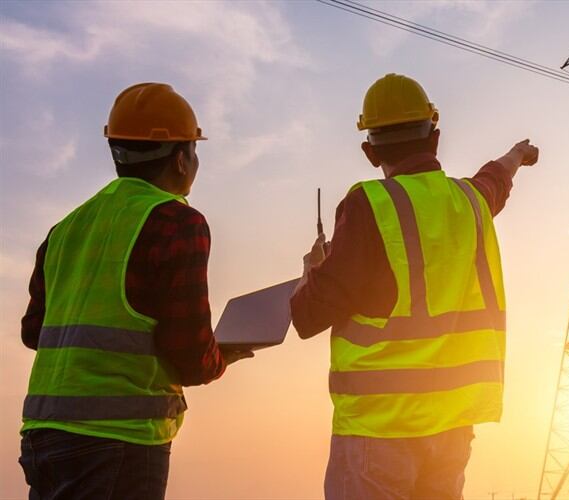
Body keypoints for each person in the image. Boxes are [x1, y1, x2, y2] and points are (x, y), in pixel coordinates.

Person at [290, 73, 539, 499]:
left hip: (379, 428)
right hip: (452, 426)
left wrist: (312, 268)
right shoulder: (470, 202)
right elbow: (494, 180)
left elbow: (309, 315)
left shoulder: (368, 205)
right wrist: (517, 155)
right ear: (435, 138)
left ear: (370, 152)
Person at [18, 82, 251, 500]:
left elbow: (35, 332)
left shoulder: (67, 228)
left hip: (43, 437)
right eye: (195, 150)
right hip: (118, 443)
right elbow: (189, 350)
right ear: (181, 160)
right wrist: (220, 357)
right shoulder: (178, 223)